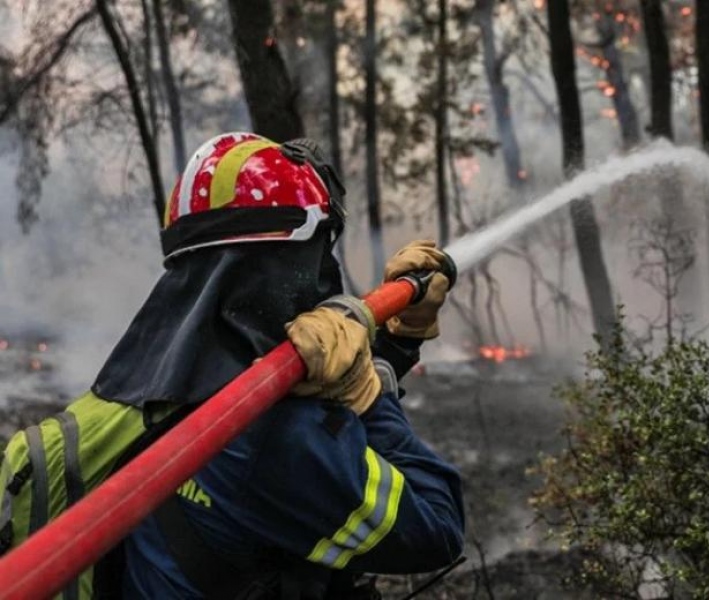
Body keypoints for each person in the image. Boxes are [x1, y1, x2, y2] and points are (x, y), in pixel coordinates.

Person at [90, 132, 465, 598]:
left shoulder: (137, 392)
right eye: (318, 256)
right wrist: (370, 398)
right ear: (286, 264)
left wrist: (396, 342)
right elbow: (437, 527)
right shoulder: (269, 438)